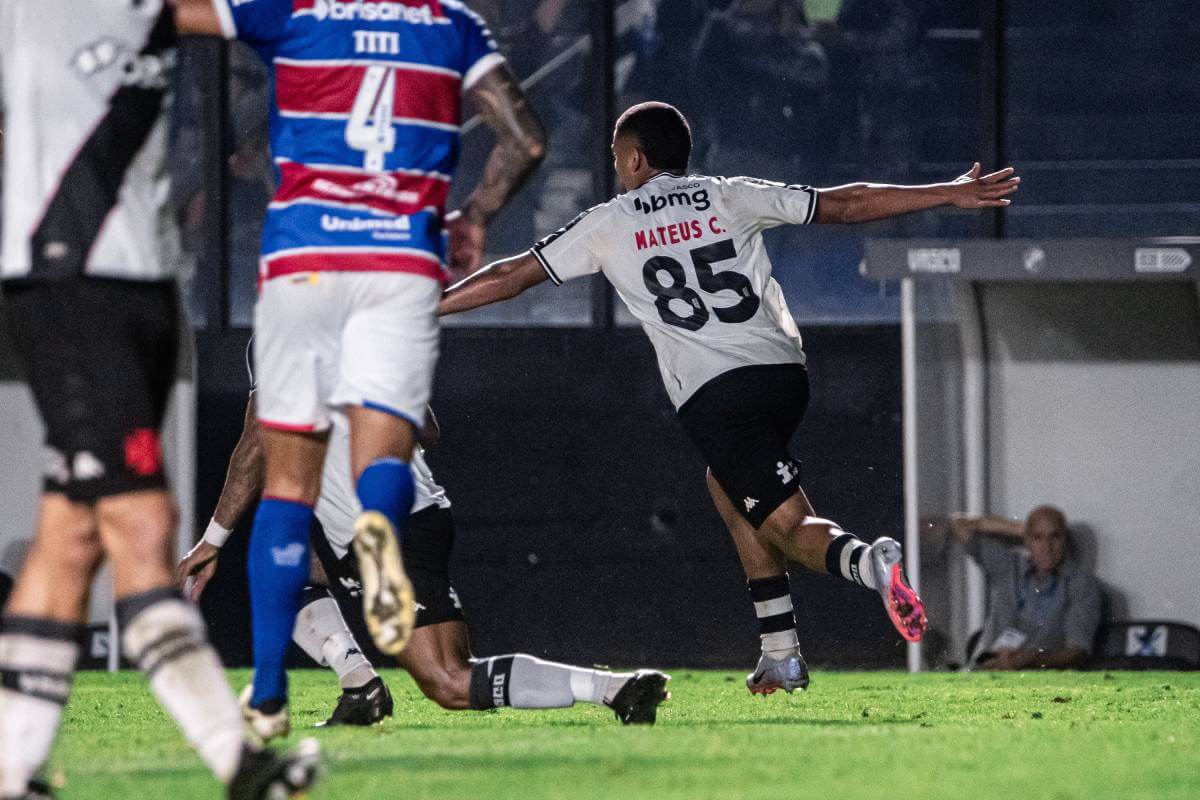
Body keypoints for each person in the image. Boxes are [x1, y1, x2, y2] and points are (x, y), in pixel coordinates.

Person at [438, 101, 1021, 693]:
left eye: (618, 158)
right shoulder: (729, 193)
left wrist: (430, 303)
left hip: (717, 394)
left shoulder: (609, 222)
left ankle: (870, 563)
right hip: (784, 375)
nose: (618, 170)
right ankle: (780, 651)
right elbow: (845, 202)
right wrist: (944, 193)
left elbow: (510, 275)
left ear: (636, 159)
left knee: (790, 526)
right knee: (727, 488)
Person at [174, 0, 547, 732]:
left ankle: (271, 692)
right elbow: (527, 140)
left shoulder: (293, 13)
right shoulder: (452, 22)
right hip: (398, 264)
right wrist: (474, 218)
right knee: (385, 449)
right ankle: (376, 529)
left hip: (307, 261)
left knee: (289, 485)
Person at [0, 3, 318, 798]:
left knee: (69, 537)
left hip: (144, 287)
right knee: (143, 524)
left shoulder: (169, 10)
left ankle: (12, 771)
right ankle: (240, 766)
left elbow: (290, 19)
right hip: (66, 280)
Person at [177, 399, 671, 732]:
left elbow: (252, 448)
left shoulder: (284, 330)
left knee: (450, 682)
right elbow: (428, 431)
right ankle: (359, 687)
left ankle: (616, 689)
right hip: (400, 514)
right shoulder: (376, 324)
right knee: (289, 566)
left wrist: (212, 539)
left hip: (386, 531)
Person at [949, 505, 1102, 670]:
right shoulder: (1008, 566)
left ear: (1065, 540)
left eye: (1055, 537)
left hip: (1034, 678)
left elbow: (1077, 652)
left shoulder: (1081, 584)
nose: (1047, 547)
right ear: (1027, 540)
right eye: (1038, 537)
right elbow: (958, 524)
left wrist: (1028, 659)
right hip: (982, 670)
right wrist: (1017, 529)